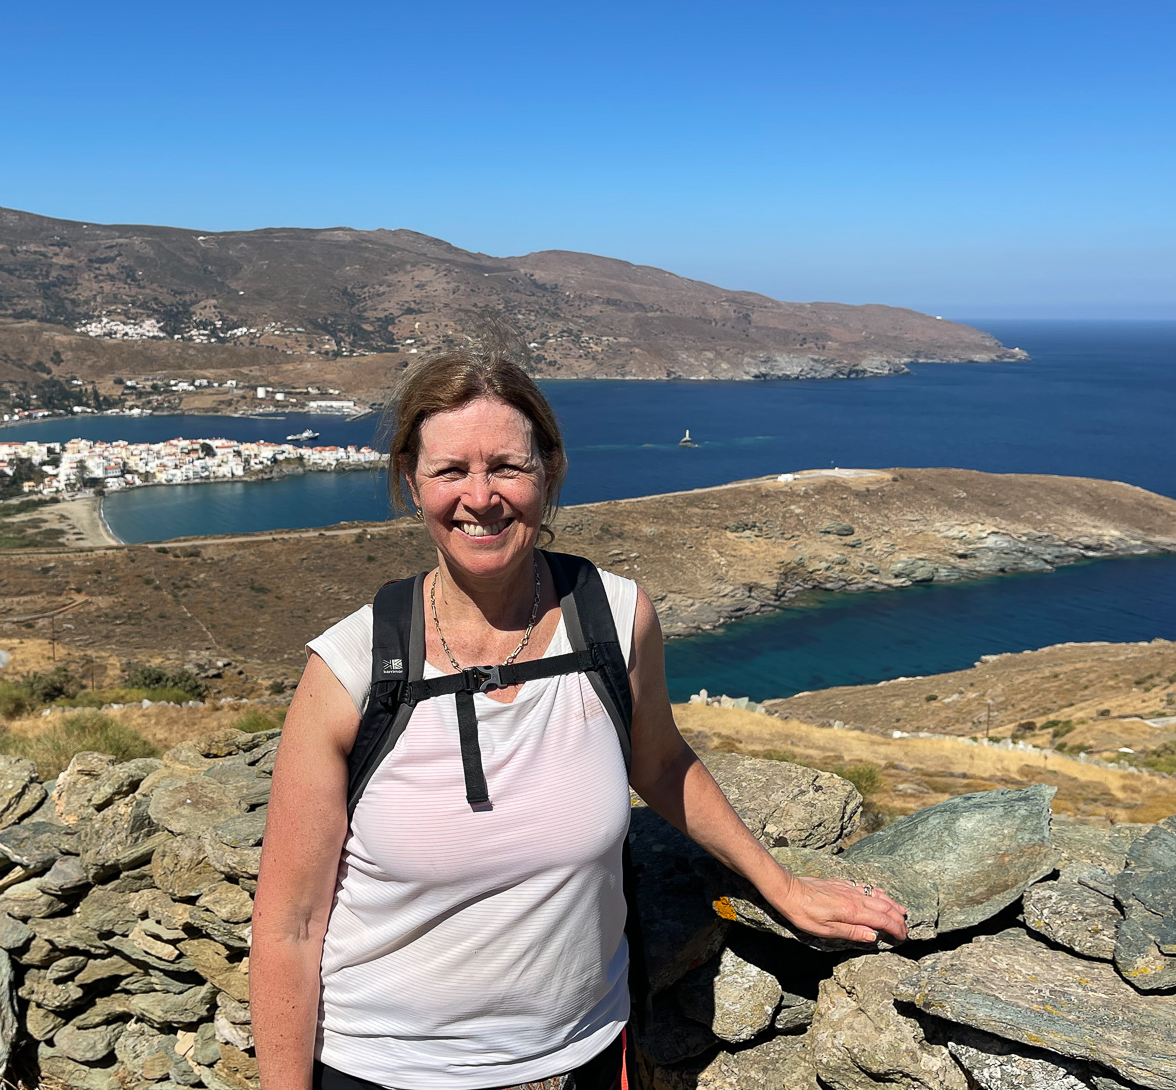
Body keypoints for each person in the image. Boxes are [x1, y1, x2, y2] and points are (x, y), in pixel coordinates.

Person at [251, 347, 907, 1090]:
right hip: (387, 1071)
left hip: (583, 1061)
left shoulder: (615, 622)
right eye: (450, 471)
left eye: (507, 467)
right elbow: (288, 928)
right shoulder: (352, 668)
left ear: (550, 473)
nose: (482, 497)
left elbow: (660, 764)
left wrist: (782, 886)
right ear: (411, 481)